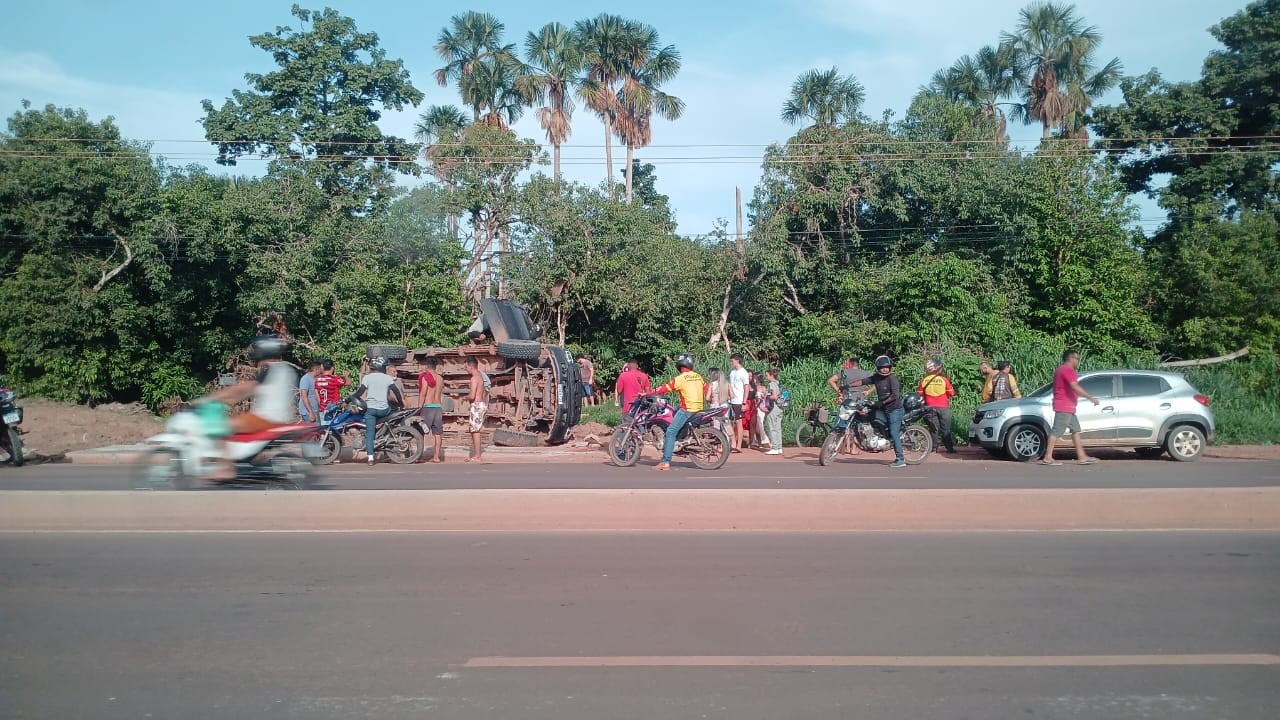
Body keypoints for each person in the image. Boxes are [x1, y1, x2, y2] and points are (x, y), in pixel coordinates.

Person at [197, 334, 298, 480]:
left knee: (221, 425)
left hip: (265, 418)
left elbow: (243, 389)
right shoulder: (286, 369)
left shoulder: (269, 369)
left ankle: (226, 468)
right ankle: (246, 462)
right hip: (281, 418)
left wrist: (212, 397)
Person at [1040, 349, 1100, 466]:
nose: (1078, 361)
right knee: (1057, 431)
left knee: (1075, 430)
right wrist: (1090, 397)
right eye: (1077, 358)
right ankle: (1047, 457)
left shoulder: (1060, 370)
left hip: (1068, 406)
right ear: (1071, 358)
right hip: (1064, 405)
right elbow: (1074, 386)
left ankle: (1082, 457)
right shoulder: (1068, 370)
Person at [848, 355, 906, 468]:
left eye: (887, 367)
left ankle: (900, 459)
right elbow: (863, 381)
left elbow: (895, 395)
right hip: (883, 408)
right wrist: (848, 385)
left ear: (890, 367)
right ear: (878, 368)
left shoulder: (892, 379)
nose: (885, 369)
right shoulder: (876, 378)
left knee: (894, 433)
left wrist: (882, 402)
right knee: (872, 418)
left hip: (894, 409)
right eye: (882, 367)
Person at [650, 353, 705, 472]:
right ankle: (679, 439)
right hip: (699, 408)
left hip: (688, 409)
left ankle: (665, 462)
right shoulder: (698, 376)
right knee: (674, 410)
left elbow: (664, 388)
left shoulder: (680, 378)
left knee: (670, 431)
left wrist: (649, 393)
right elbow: (705, 388)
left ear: (680, 365)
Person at [349, 356, 404, 466]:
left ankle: (370, 458)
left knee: (370, 433)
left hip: (371, 410)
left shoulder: (367, 378)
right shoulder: (387, 378)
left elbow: (359, 393)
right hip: (385, 410)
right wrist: (400, 404)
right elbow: (396, 392)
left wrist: (349, 398)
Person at [918, 358, 957, 454]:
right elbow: (952, 393)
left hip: (929, 408)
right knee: (946, 429)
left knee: (933, 429)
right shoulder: (944, 380)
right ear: (938, 368)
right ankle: (949, 449)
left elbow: (920, 394)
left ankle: (933, 448)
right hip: (943, 407)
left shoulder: (924, 380)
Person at [417, 357, 445, 463]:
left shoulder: (426, 377)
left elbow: (423, 392)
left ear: (426, 366)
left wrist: (419, 407)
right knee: (437, 433)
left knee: (420, 432)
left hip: (428, 407)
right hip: (437, 407)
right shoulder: (440, 378)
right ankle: (436, 457)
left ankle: (419, 456)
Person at [464, 356, 490, 463]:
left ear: (470, 366)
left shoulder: (474, 378)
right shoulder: (481, 376)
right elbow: (485, 391)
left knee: (475, 431)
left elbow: (472, 395)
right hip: (481, 404)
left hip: (477, 405)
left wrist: (465, 397)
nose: (465, 369)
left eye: (466, 367)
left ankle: (478, 456)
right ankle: (476, 455)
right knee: (474, 430)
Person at [727, 354, 749, 452]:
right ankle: (733, 442)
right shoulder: (732, 372)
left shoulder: (743, 372)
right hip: (730, 400)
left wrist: (744, 402)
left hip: (739, 401)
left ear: (737, 360)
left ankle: (739, 445)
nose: (731, 363)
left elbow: (746, 387)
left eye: (732, 361)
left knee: (738, 422)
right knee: (728, 421)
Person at [763, 368, 784, 455]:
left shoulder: (772, 384)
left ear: (771, 376)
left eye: (767, 375)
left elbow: (774, 396)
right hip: (779, 409)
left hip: (773, 409)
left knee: (772, 428)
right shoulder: (778, 384)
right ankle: (779, 447)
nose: (766, 377)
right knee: (778, 428)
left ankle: (775, 447)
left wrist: (766, 396)